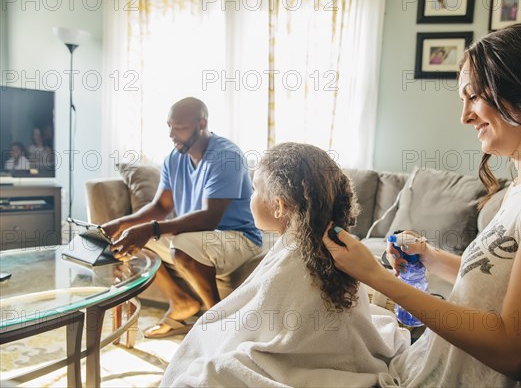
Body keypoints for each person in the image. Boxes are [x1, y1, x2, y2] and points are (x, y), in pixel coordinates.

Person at [324, 23, 521, 387]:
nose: (465, 116)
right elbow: (499, 287)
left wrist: (374, 276)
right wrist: (431, 258)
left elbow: (511, 349)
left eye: (473, 97)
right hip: (412, 368)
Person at [161, 143, 410, 387]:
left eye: (254, 190)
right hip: (334, 347)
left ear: (279, 206)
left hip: (312, 358)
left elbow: (250, 326)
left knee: (208, 352)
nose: (251, 197)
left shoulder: (295, 260)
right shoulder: (321, 242)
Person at [102, 97, 263, 338]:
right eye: (169, 126)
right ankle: (181, 302)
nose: (171, 133)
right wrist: (122, 224)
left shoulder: (226, 156)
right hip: (197, 237)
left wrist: (151, 229)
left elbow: (210, 218)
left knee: (180, 244)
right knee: (129, 241)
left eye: (179, 127)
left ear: (202, 123)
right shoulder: (174, 159)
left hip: (239, 238)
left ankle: (217, 324)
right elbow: (160, 206)